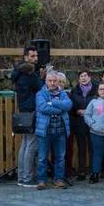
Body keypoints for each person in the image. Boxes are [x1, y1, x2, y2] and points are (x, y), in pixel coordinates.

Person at [11, 45, 43, 188]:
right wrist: (41, 77)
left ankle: (21, 177)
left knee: (24, 145)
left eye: (36, 56)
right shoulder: (29, 73)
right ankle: (28, 178)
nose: (35, 59)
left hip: (23, 111)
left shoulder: (18, 71)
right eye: (32, 56)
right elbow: (41, 88)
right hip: (31, 111)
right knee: (31, 145)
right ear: (25, 57)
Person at [34, 71, 72, 190]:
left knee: (60, 158)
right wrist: (60, 109)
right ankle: (41, 181)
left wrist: (53, 103)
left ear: (58, 81)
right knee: (42, 158)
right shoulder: (40, 94)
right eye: (50, 81)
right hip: (45, 131)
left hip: (60, 131)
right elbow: (43, 108)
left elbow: (69, 105)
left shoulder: (63, 93)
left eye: (54, 81)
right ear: (46, 81)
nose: (52, 83)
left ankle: (59, 180)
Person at [68, 70, 97, 180]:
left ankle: (94, 171)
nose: (83, 78)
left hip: (93, 123)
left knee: (93, 148)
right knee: (81, 148)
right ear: (79, 79)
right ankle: (82, 172)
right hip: (79, 123)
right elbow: (70, 107)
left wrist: (89, 112)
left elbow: (100, 103)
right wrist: (77, 111)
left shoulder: (96, 89)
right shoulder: (74, 91)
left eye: (85, 76)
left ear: (89, 77)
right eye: (81, 76)